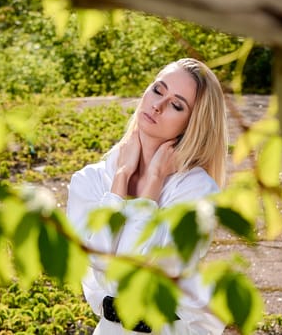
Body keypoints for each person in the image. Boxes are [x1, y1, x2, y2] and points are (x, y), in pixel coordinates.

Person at [66, 58, 227, 334]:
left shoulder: (197, 193)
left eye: (176, 105)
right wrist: (121, 178)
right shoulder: (90, 181)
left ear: (191, 125)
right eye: (157, 90)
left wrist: (153, 184)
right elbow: (99, 262)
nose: (158, 105)